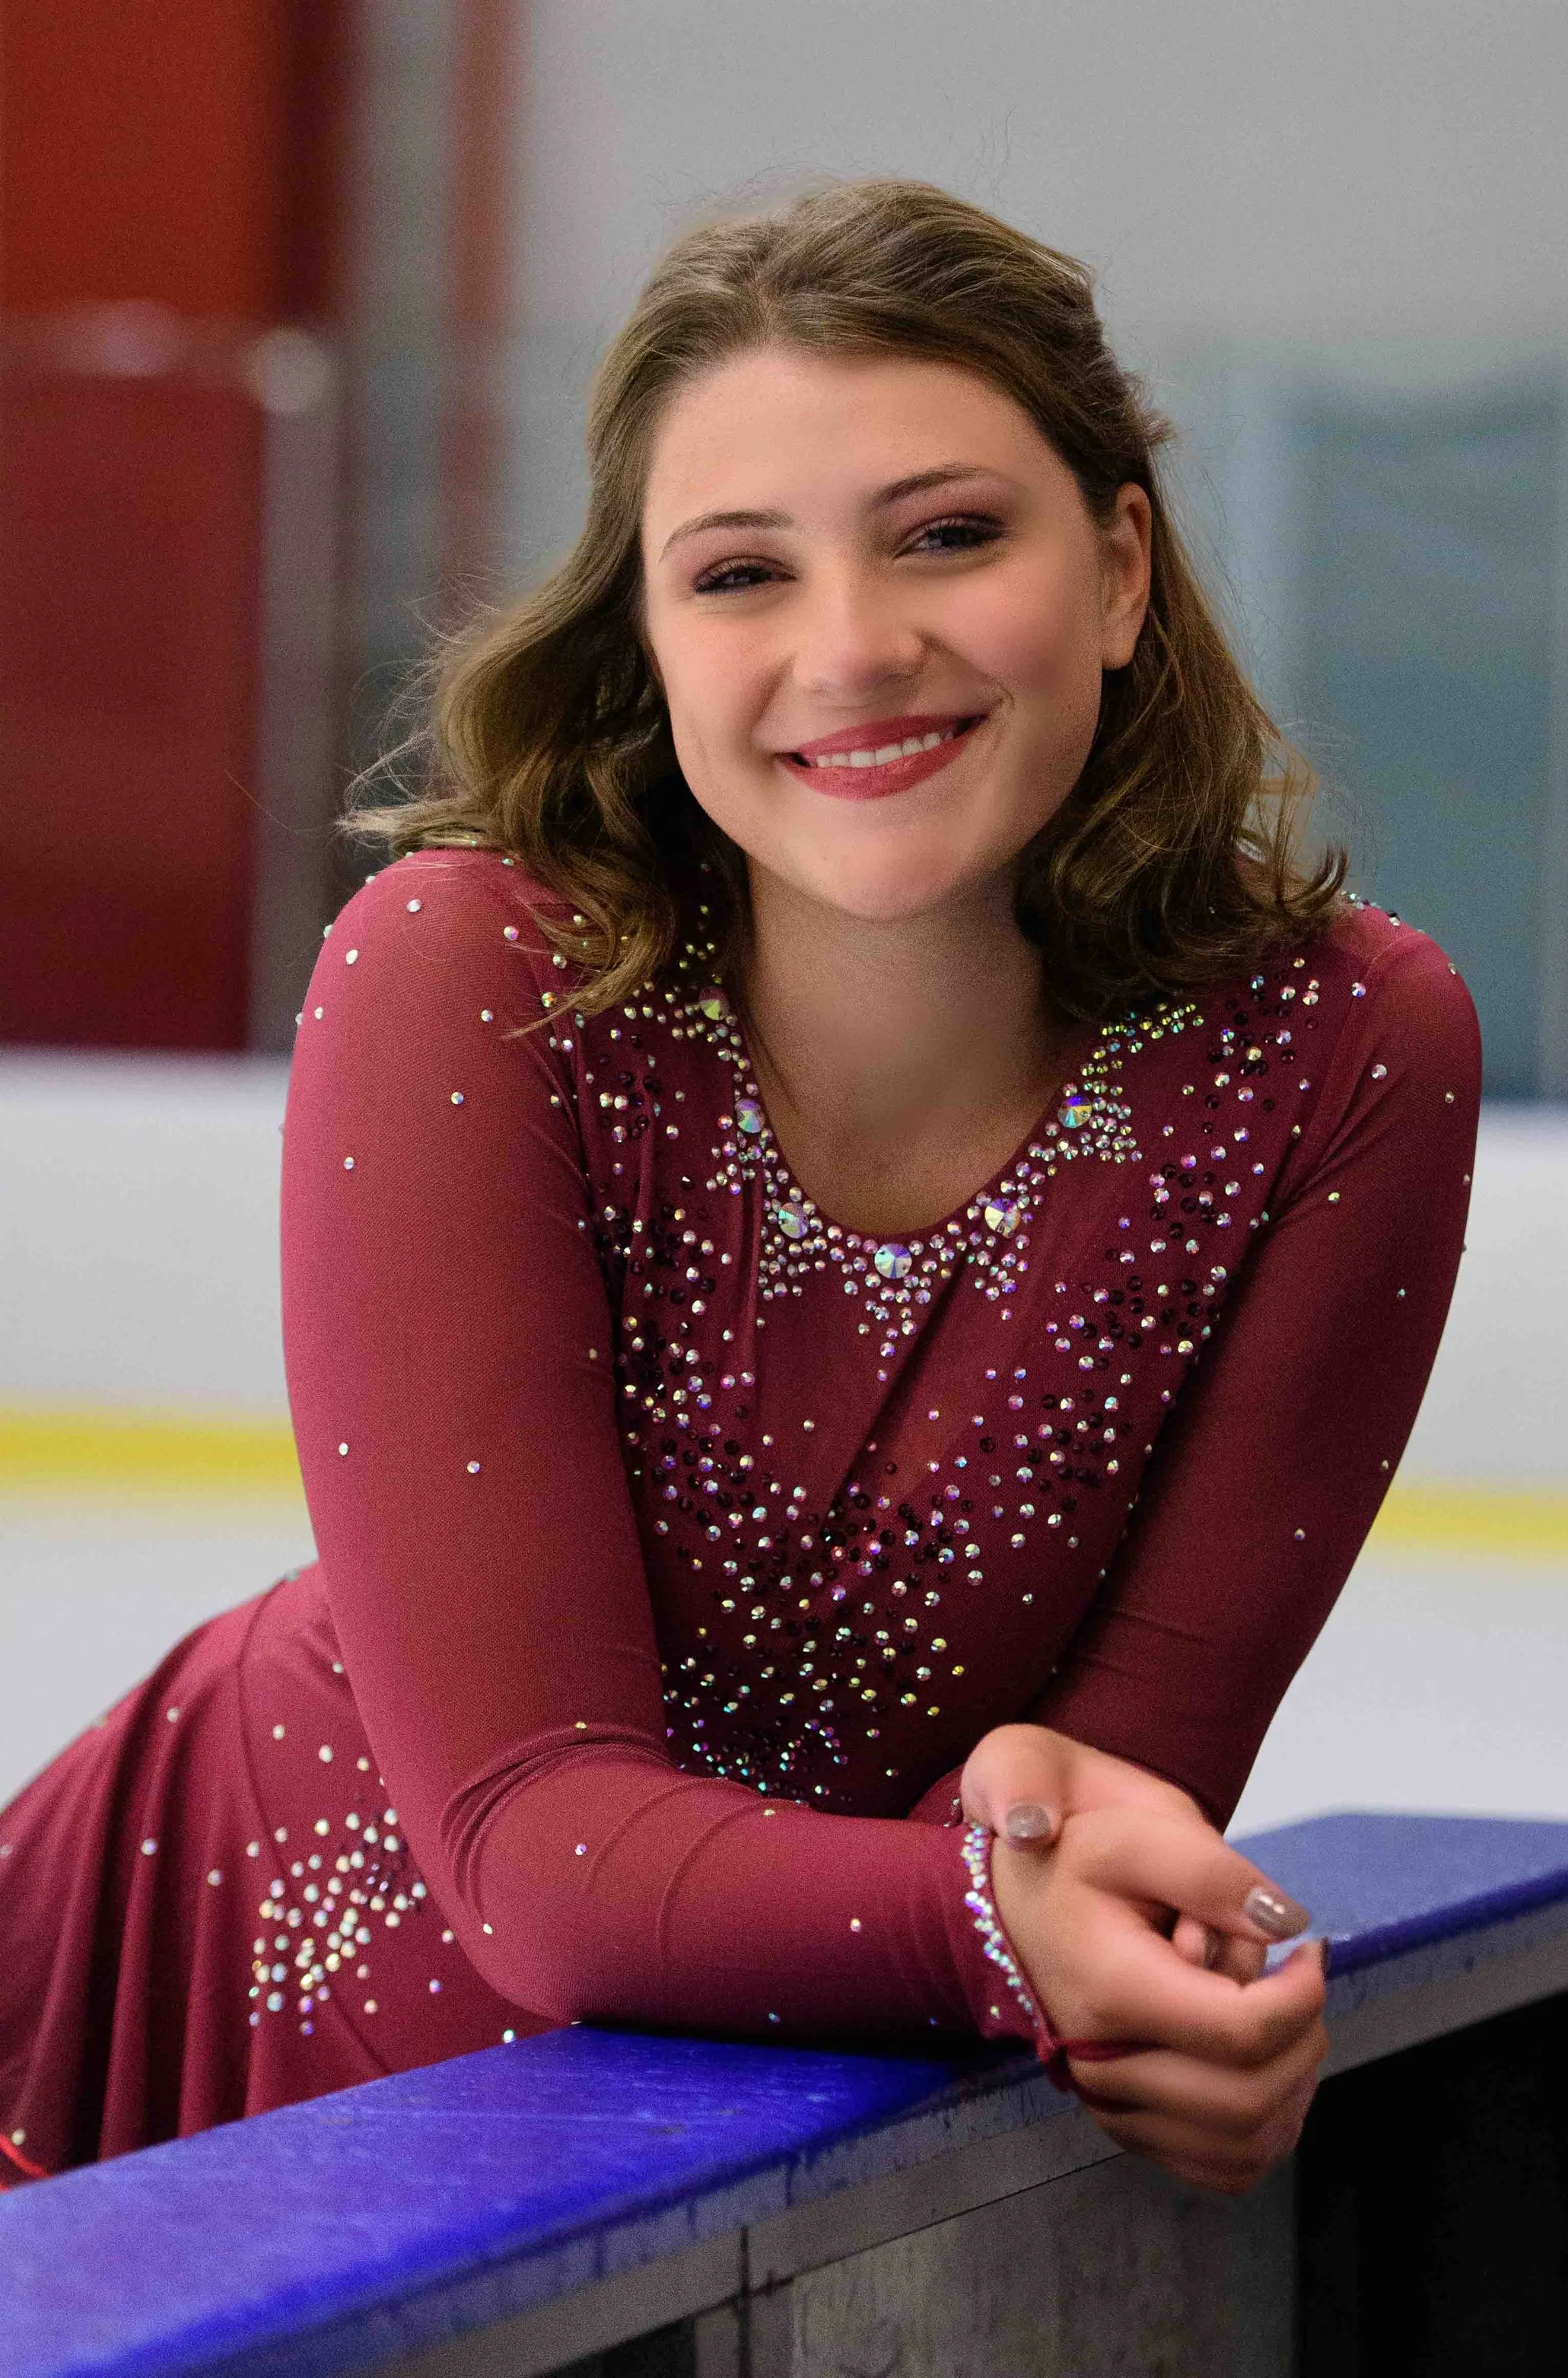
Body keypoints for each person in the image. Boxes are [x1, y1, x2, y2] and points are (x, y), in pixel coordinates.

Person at [0, 178, 1479, 2200]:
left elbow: (1099, 1794)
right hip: (206, 1988)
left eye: (948, 535)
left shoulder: (1340, 1055)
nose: (852, 650)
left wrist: (1118, 1922)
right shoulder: (469, 971)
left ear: (1119, 566)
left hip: (763, 2086)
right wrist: (1012, 1922)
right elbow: (543, 1844)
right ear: (649, 635)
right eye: (738, 573)